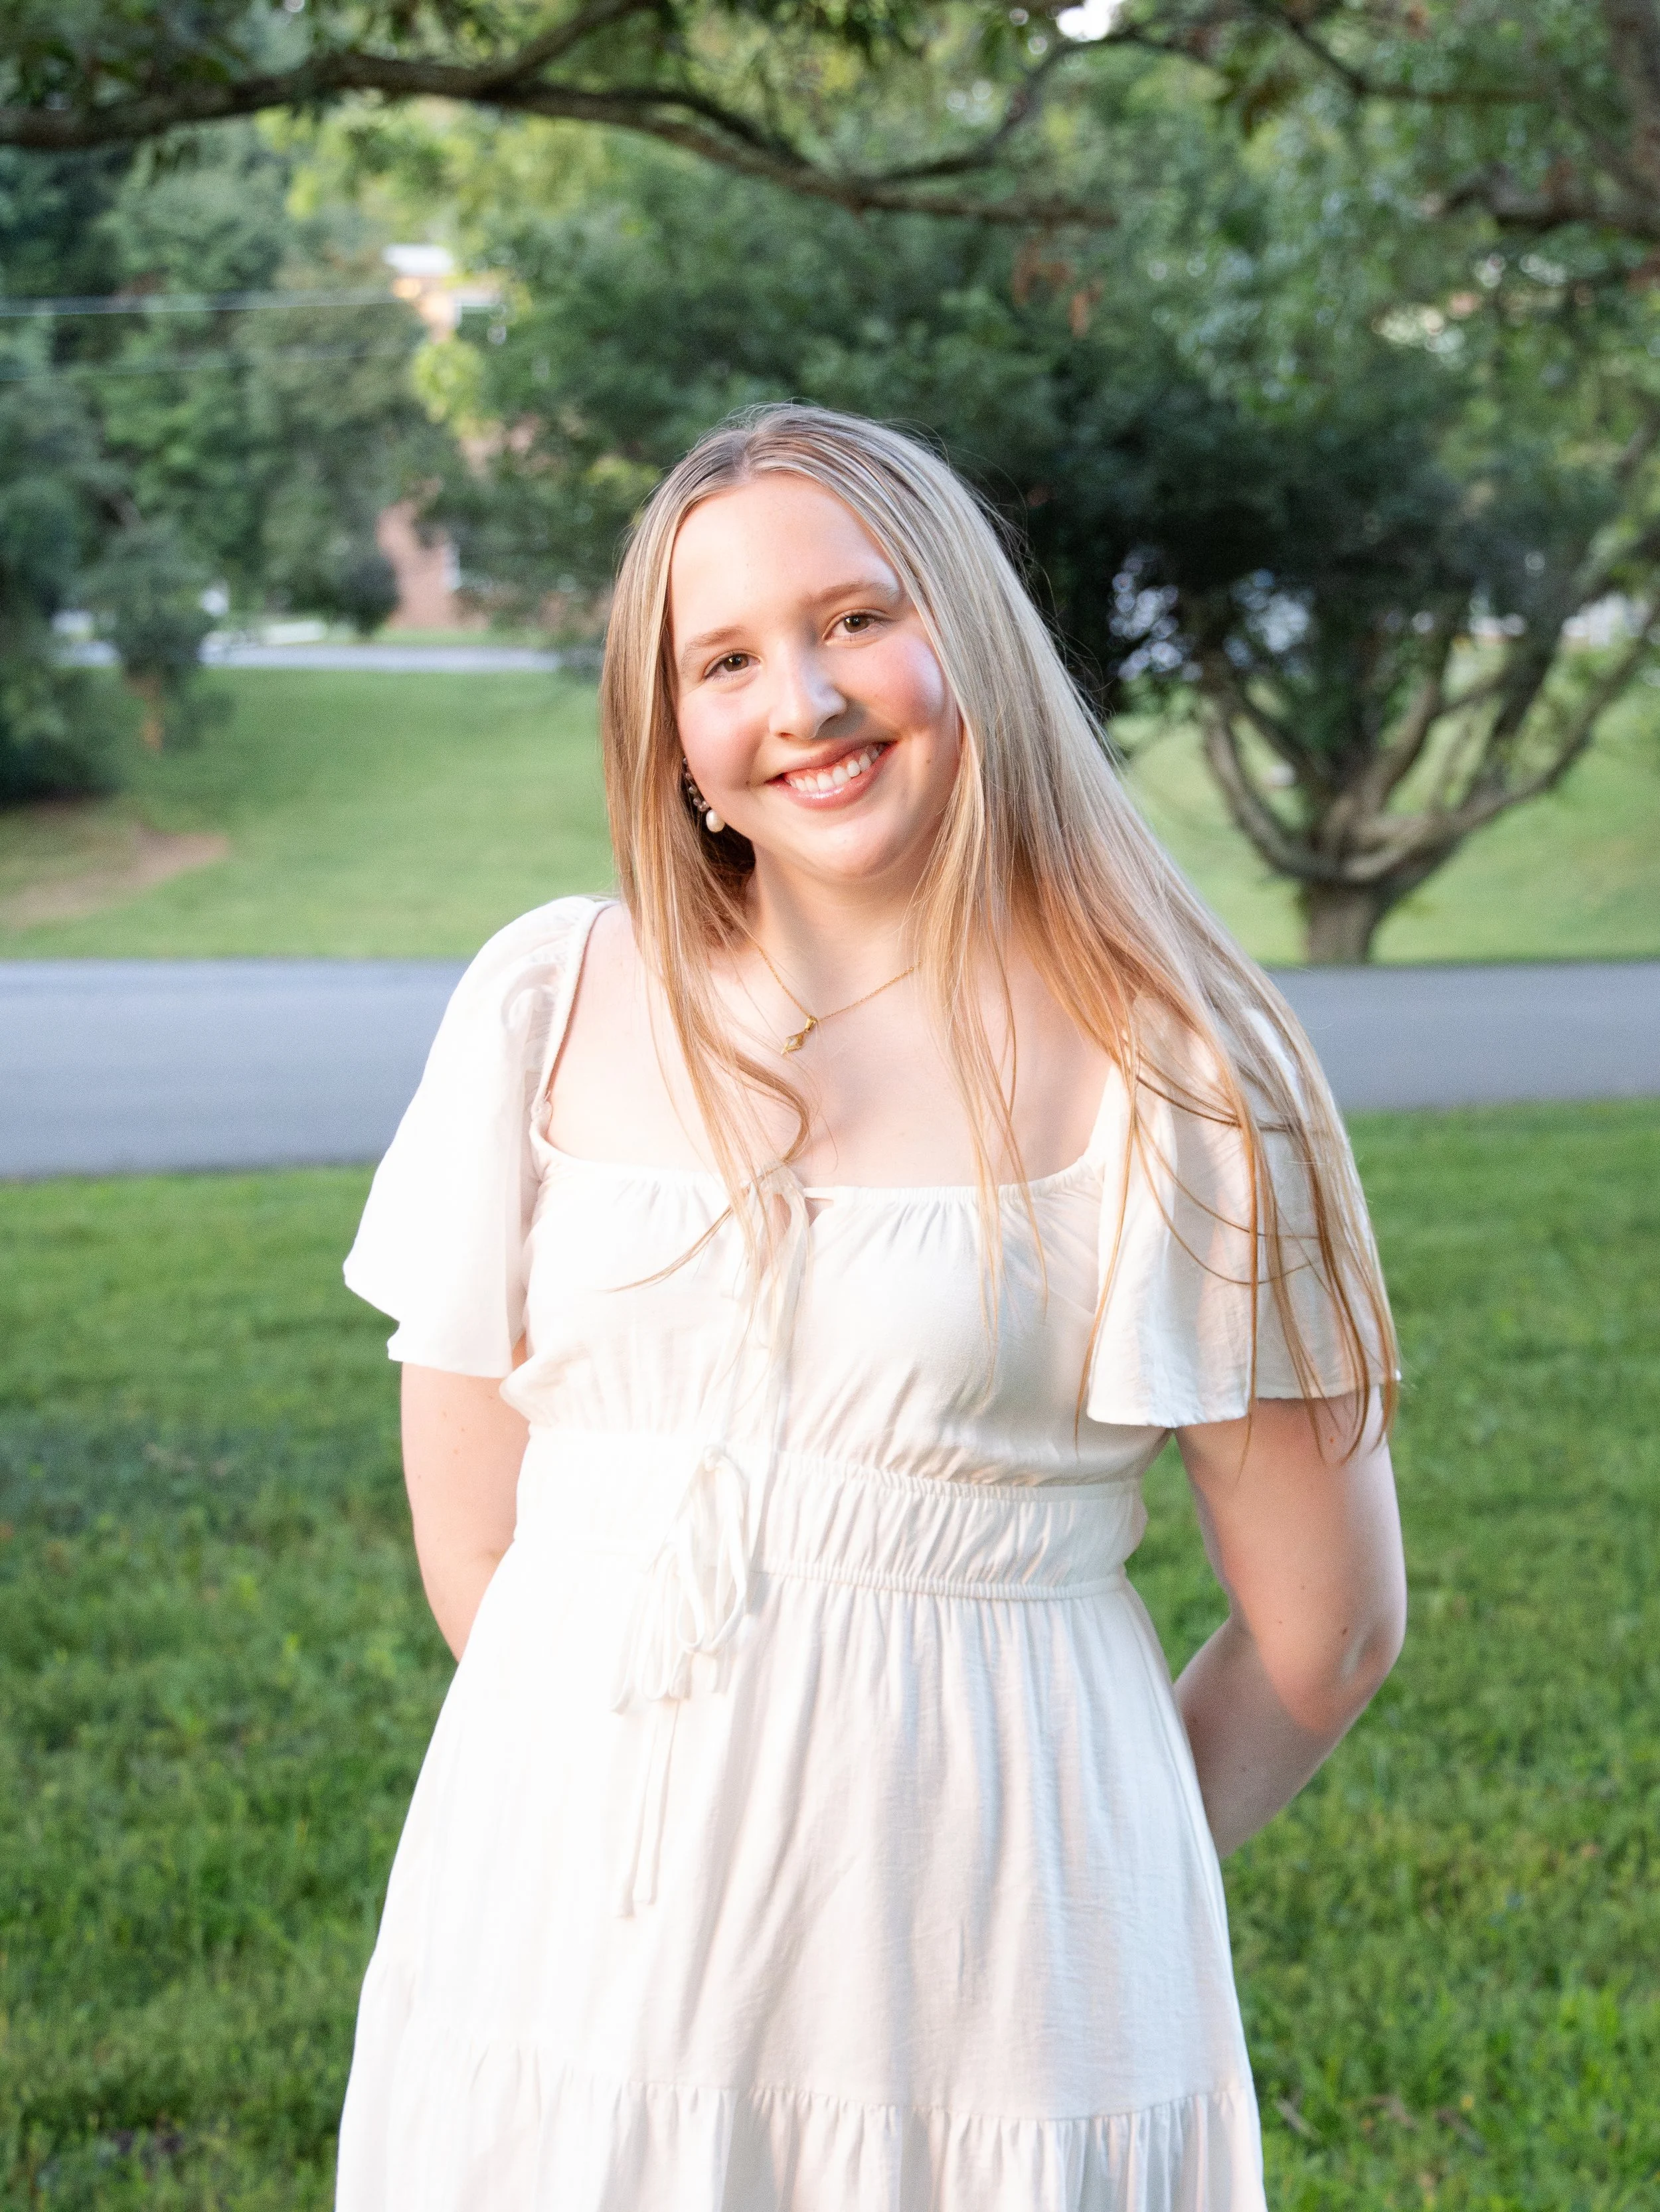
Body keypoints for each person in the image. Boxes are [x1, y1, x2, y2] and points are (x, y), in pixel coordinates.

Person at [335, 404, 1407, 2211]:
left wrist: (1069, 1886)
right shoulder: (545, 1000)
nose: (805, 704)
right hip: (547, 1942)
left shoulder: (1177, 1074)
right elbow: (485, 1575)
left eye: (855, 618)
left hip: (976, 1998)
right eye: (726, 659)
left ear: (969, 633)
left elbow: (1327, 1634)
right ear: (671, 736)